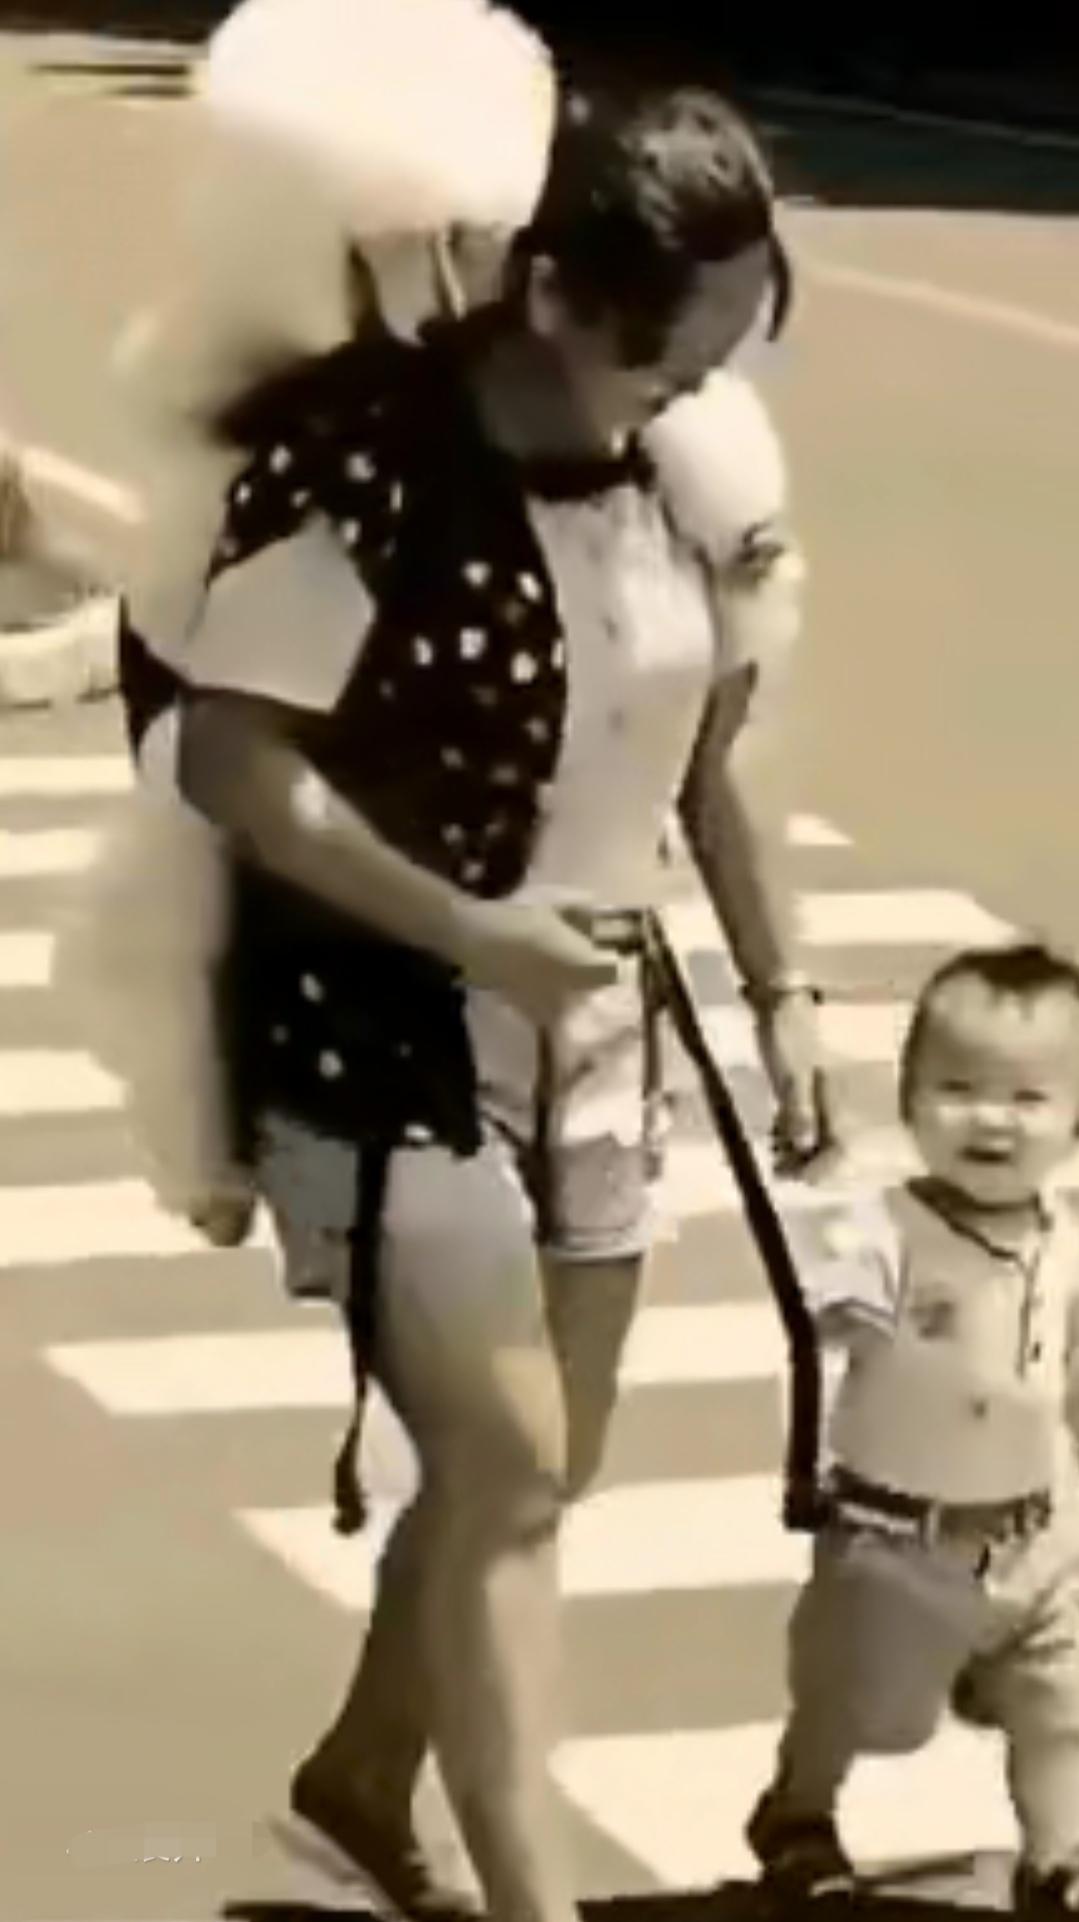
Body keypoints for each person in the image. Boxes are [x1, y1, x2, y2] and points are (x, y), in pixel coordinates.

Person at [116, 79, 831, 1922]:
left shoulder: (690, 466)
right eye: (667, 358)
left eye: (725, 353)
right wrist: (473, 930)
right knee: (506, 1469)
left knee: (529, 1474)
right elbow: (232, 760)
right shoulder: (371, 464)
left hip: (596, 1023)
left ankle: (364, 1782)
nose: (695, 392)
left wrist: (781, 990)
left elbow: (710, 755)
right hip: (374, 1026)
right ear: (556, 298)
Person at [747, 943, 1079, 1920]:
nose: (989, 1117)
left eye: (1027, 1097)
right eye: (955, 1088)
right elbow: (832, 1303)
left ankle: (1055, 1856)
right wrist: (846, 1299)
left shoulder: (1063, 1235)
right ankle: (797, 1809)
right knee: (863, 1708)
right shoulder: (886, 1227)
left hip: (1038, 1533)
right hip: (896, 1539)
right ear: (906, 1097)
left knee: (1063, 1704)